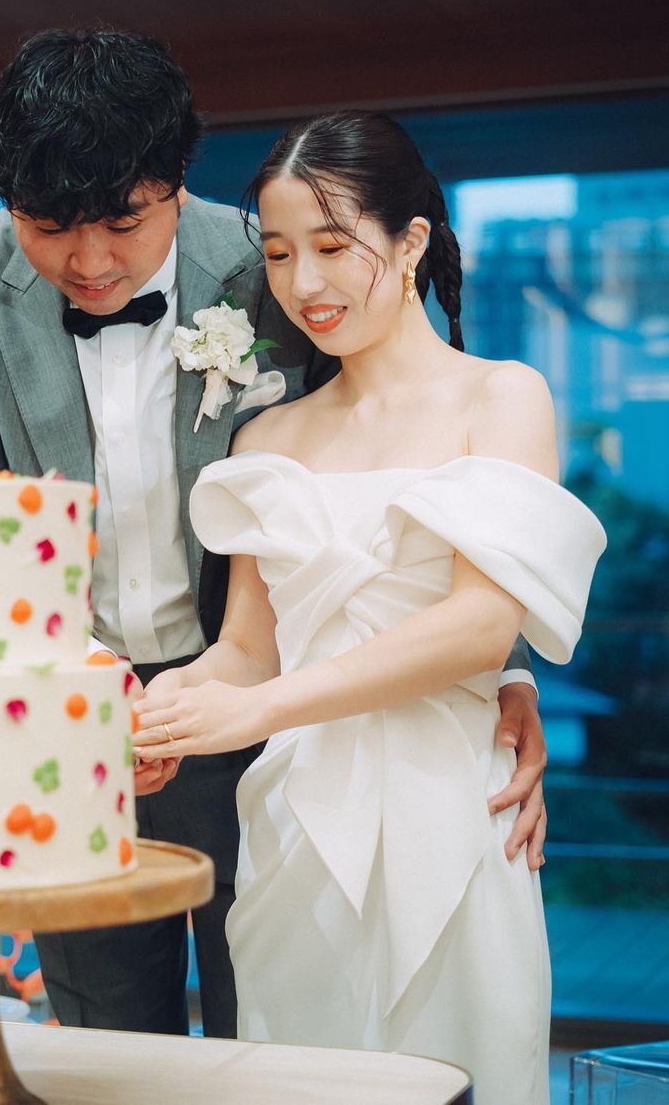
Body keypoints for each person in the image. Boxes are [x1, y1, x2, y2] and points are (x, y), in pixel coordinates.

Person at [0, 31, 547, 1039]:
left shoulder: (276, 259)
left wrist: (499, 677)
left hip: (281, 721)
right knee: (105, 1044)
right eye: (47, 227)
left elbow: (416, 470)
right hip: (84, 713)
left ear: (175, 185)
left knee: (279, 1028)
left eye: (123, 222)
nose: (90, 262)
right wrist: (96, 692)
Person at [133, 111, 605, 1101]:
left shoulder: (502, 398)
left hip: (459, 807)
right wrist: (173, 703)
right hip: (297, 819)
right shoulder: (266, 439)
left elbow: (481, 627)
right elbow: (248, 649)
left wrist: (255, 712)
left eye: (334, 245)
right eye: (278, 253)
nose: (304, 282)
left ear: (412, 239)